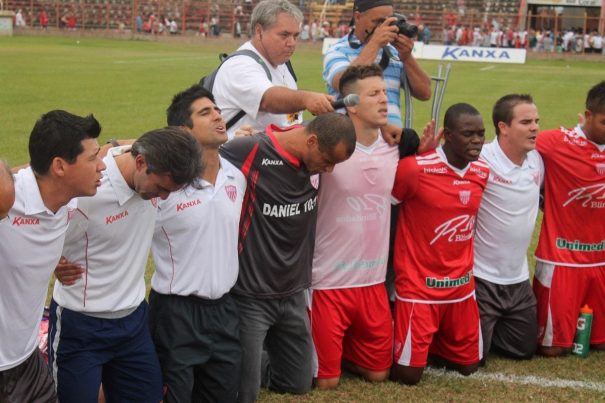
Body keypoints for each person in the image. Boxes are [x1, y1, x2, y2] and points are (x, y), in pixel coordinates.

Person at [49, 128, 202, 403]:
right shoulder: (88, 189)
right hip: (81, 326)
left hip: (133, 322)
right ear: (141, 163)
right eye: (163, 189)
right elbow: (37, 227)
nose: (164, 198)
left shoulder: (140, 158)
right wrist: (50, 261)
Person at [219, 112, 356, 402]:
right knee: (245, 394)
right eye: (329, 160)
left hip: (294, 291)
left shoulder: (313, 152)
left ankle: (253, 361)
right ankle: (234, 363)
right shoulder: (250, 150)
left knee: (298, 382)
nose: (329, 170)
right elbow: (197, 156)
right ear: (311, 140)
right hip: (251, 294)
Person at [148, 85, 246, 402]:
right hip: (176, 314)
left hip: (225, 310)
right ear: (182, 130)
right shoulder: (164, 185)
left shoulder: (236, 177)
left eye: (216, 109)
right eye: (205, 113)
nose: (218, 115)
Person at [0, 110, 105, 402]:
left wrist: (53, 259)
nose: (102, 166)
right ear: (59, 166)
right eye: (92, 158)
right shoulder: (9, 197)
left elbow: (117, 150)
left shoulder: (69, 202)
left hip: (28, 361)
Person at [311, 65, 398, 389]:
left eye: (385, 92)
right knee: (327, 383)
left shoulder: (396, 148)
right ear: (350, 104)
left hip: (373, 281)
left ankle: (346, 347)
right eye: (373, 94)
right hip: (328, 282)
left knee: (379, 374)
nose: (384, 99)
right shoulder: (324, 151)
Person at [391, 103, 488, 385]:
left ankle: (435, 342)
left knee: (471, 367)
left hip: (461, 288)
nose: (477, 140)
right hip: (419, 287)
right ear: (446, 134)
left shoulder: (482, 171)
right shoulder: (415, 169)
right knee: (408, 377)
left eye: (481, 134)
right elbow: (390, 209)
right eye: (468, 134)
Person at [533, 80, 605, 357]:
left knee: (599, 343)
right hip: (561, 260)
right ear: (587, 116)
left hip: (600, 260)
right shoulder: (555, 142)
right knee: (552, 348)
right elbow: (506, 149)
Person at [474, 94, 543, 362]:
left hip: (517, 280)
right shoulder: (482, 160)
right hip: (481, 278)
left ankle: (491, 326)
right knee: (474, 357)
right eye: (526, 122)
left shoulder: (536, 159)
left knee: (525, 350)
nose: (535, 127)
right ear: (503, 127)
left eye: (536, 121)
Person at [212, 0, 335, 139]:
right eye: (284, 35)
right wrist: (307, 99)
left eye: (295, 36)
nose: (292, 43)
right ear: (259, 32)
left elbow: (288, 120)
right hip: (240, 158)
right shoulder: (240, 65)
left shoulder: (281, 62)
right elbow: (267, 99)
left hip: (271, 154)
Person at [323, 0, 431, 129]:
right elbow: (343, 83)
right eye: (378, 21)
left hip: (391, 142)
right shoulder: (338, 50)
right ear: (357, 17)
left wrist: (407, 58)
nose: (383, 27)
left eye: (388, 21)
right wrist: (375, 43)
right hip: (351, 140)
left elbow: (425, 93)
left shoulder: (393, 52)